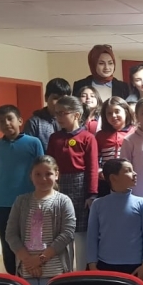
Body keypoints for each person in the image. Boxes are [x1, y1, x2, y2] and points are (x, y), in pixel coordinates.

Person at [4, 155, 76, 285]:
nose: (43, 178)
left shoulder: (63, 201)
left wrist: (40, 259)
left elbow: (67, 233)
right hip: (27, 268)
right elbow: (11, 234)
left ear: (56, 174)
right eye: (38, 174)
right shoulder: (21, 201)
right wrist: (28, 260)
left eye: (48, 174)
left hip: (54, 269)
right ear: (31, 176)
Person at [0, 105, 45, 275]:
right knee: (7, 241)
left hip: (28, 199)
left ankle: (31, 275)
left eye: (10, 119)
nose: (6, 123)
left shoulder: (33, 142)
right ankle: (13, 279)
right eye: (1, 121)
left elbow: (41, 168)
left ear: (20, 121)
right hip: (1, 200)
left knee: (30, 240)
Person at [46, 96, 98, 267]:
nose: (59, 117)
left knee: (81, 232)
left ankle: (82, 270)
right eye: (57, 114)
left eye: (63, 113)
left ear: (76, 115)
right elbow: (50, 164)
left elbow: (92, 167)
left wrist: (91, 194)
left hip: (81, 186)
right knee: (62, 229)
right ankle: (65, 270)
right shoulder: (54, 138)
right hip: (60, 186)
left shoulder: (87, 137)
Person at [86, 158, 143, 281]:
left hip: (135, 267)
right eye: (128, 171)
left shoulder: (142, 203)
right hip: (104, 266)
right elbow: (91, 237)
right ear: (113, 178)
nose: (135, 174)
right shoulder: (98, 204)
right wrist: (92, 265)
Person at [95, 97, 134, 197]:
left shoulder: (134, 132)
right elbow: (95, 158)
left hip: (128, 178)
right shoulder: (100, 135)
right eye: (109, 113)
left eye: (117, 111)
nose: (113, 116)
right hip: (107, 179)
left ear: (126, 111)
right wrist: (100, 171)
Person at [23, 77, 71, 150]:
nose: (60, 103)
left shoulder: (72, 120)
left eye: (64, 99)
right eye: (56, 98)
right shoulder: (34, 123)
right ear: (46, 98)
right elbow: (28, 149)